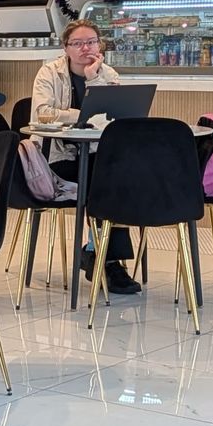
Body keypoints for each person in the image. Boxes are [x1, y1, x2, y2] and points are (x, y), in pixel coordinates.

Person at [32, 20, 139, 295]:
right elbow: (43, 113)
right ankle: (108, 262)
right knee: (103, 182)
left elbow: (113, 115)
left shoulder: (108, 74)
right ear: (65, 48)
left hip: (96, 154)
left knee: (118, 179)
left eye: (91, 42)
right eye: (77, 43)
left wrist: (93, 79)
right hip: (57, 157)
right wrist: (83, 115)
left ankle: (98, 254)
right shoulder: (49, 73)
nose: (85, 48)